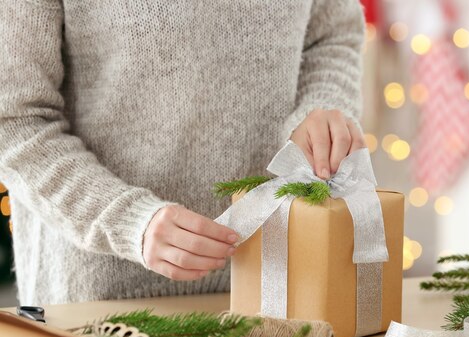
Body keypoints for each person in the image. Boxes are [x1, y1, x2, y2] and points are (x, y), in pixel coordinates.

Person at [0, 0, 365, 305]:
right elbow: (14, 120)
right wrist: (127, 220)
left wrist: (321, 108)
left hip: (280, 292)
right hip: (100, 306)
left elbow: (332, 37)